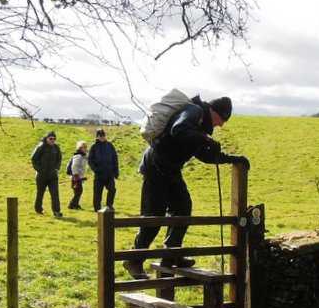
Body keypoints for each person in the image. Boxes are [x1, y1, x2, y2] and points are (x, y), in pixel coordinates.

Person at [123, 95, 249, 279]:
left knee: (183, 207)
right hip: (155, 166)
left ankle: (171, 254)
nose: (220, 125)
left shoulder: (198, 126)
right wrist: (206, 141)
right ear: (214, 111)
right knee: (154, 216)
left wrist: (232, 159)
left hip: (170, 169)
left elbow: (204, 156)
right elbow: (178, 129)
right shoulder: (194, 111)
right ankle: (133, 260)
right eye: (221, 120)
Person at [30, 130, 63, 218]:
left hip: (53, 176)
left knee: (55, 194)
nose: (52, 140)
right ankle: (38, 209)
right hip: (41, 176)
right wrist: (39, 170)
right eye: (50, 138)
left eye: (54, 139)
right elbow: (33, 159)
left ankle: (57, 211)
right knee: (40, 193)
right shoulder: (40, 147)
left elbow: (59, 159)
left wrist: (57, 168)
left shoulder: (56, 148)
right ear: (46, 138)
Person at [88, 128, 119, 212]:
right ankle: (97, 208)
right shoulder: (94, 147)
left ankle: (109, 205)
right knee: (98, 192)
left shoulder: (110, 146)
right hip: (99, 174)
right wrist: (95, 169)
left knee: (112, 190)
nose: (102, 137)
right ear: (97, 137)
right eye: (100, 136)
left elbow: (115, 158)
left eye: (103, 135)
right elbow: (90, 160)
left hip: (109, 174)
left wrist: (116, 172)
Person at [67, 140, 88, 210]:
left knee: (78, 192)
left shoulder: (83, 156)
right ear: (80, 148)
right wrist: (76, 176)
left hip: (79, 177)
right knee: (78, 191)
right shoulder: (78, 156)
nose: (85, 148)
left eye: (86, 147)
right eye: (84, 147)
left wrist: (82, 177)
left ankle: (76, 204)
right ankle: (71, 204)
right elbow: (74, 166)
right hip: (75, 178)